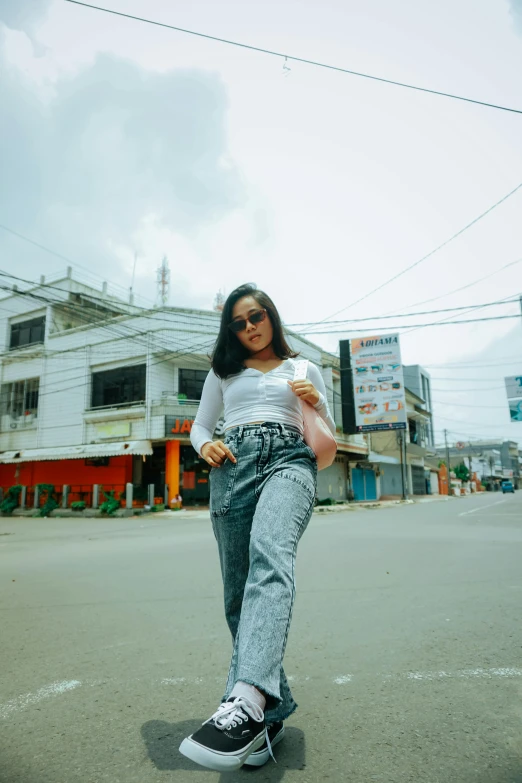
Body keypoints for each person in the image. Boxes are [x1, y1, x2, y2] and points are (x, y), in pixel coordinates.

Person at [179, 283, 335, 772]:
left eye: (257, 316)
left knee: (270, 554)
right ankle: (271, 712)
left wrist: (318, 403)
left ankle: (244, 702)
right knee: (236, 596)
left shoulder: (305, 367)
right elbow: (201, 426)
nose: (249, 327)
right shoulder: (224, 372)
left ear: (272, 317)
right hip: (233, 466)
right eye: (239, 322)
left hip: (290, 459)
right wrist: (205, 447)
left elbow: (326, 433)